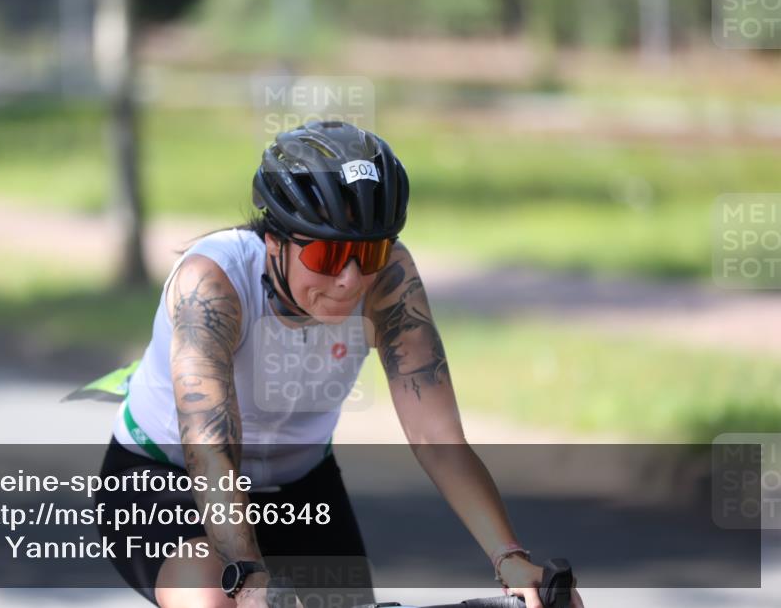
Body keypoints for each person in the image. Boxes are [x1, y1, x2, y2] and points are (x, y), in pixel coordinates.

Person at [96, 120, 585, 608]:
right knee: (212, 596)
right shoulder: (212, 283)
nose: (351, 280)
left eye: (368, 251)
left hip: (302, 488)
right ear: (275, 242)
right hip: (166, 483)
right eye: (328, 255)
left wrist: (510, 559)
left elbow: (436, 437)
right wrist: (246, 578)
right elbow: (211, 453)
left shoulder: (390, 280)